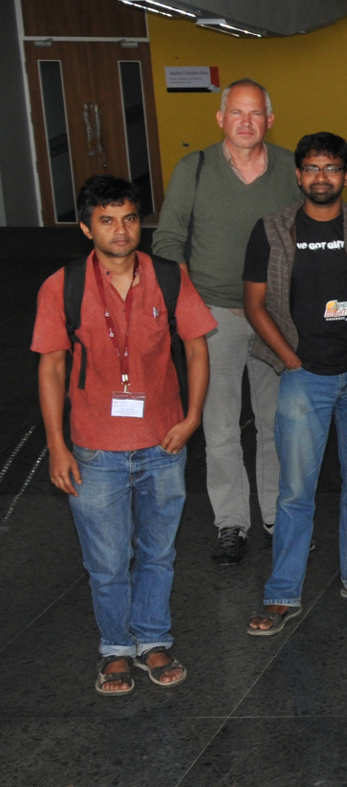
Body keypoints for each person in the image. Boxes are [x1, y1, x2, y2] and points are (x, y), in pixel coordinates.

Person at [35, 176, 214, 696]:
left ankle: (153, 639)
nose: (121, 230)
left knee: (158, 553)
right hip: (94, 449)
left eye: (130, 218)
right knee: (107, 562)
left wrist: (193, 417)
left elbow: (197, 348)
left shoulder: (169, 277)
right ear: (86, 228)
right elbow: (51, 367)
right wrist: (57, 445)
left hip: (164, 444)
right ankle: (115, 648)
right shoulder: (62, 286)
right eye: (107, 221)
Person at [241, 134, 347, 637]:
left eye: (330, 168)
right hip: (305, 376)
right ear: (299, 175)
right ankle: (282, 592)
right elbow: (254, 304)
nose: (321, 177)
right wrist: (290, 359)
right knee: (295, 491)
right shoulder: (273, 229)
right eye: (311, 168)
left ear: (345, 175)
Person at [152, 77, 296, 565]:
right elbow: (168, 241)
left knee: (276, 424)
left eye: (255, 113)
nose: (246, 122)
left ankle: (277, 518)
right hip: (213, 315)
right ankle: (231, 523)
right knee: (220, 426)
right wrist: (189, 307)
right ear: (220, 118)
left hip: (275, 316)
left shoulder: (290, 170)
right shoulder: (194, 169)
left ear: (270, 120)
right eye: (237, 112)